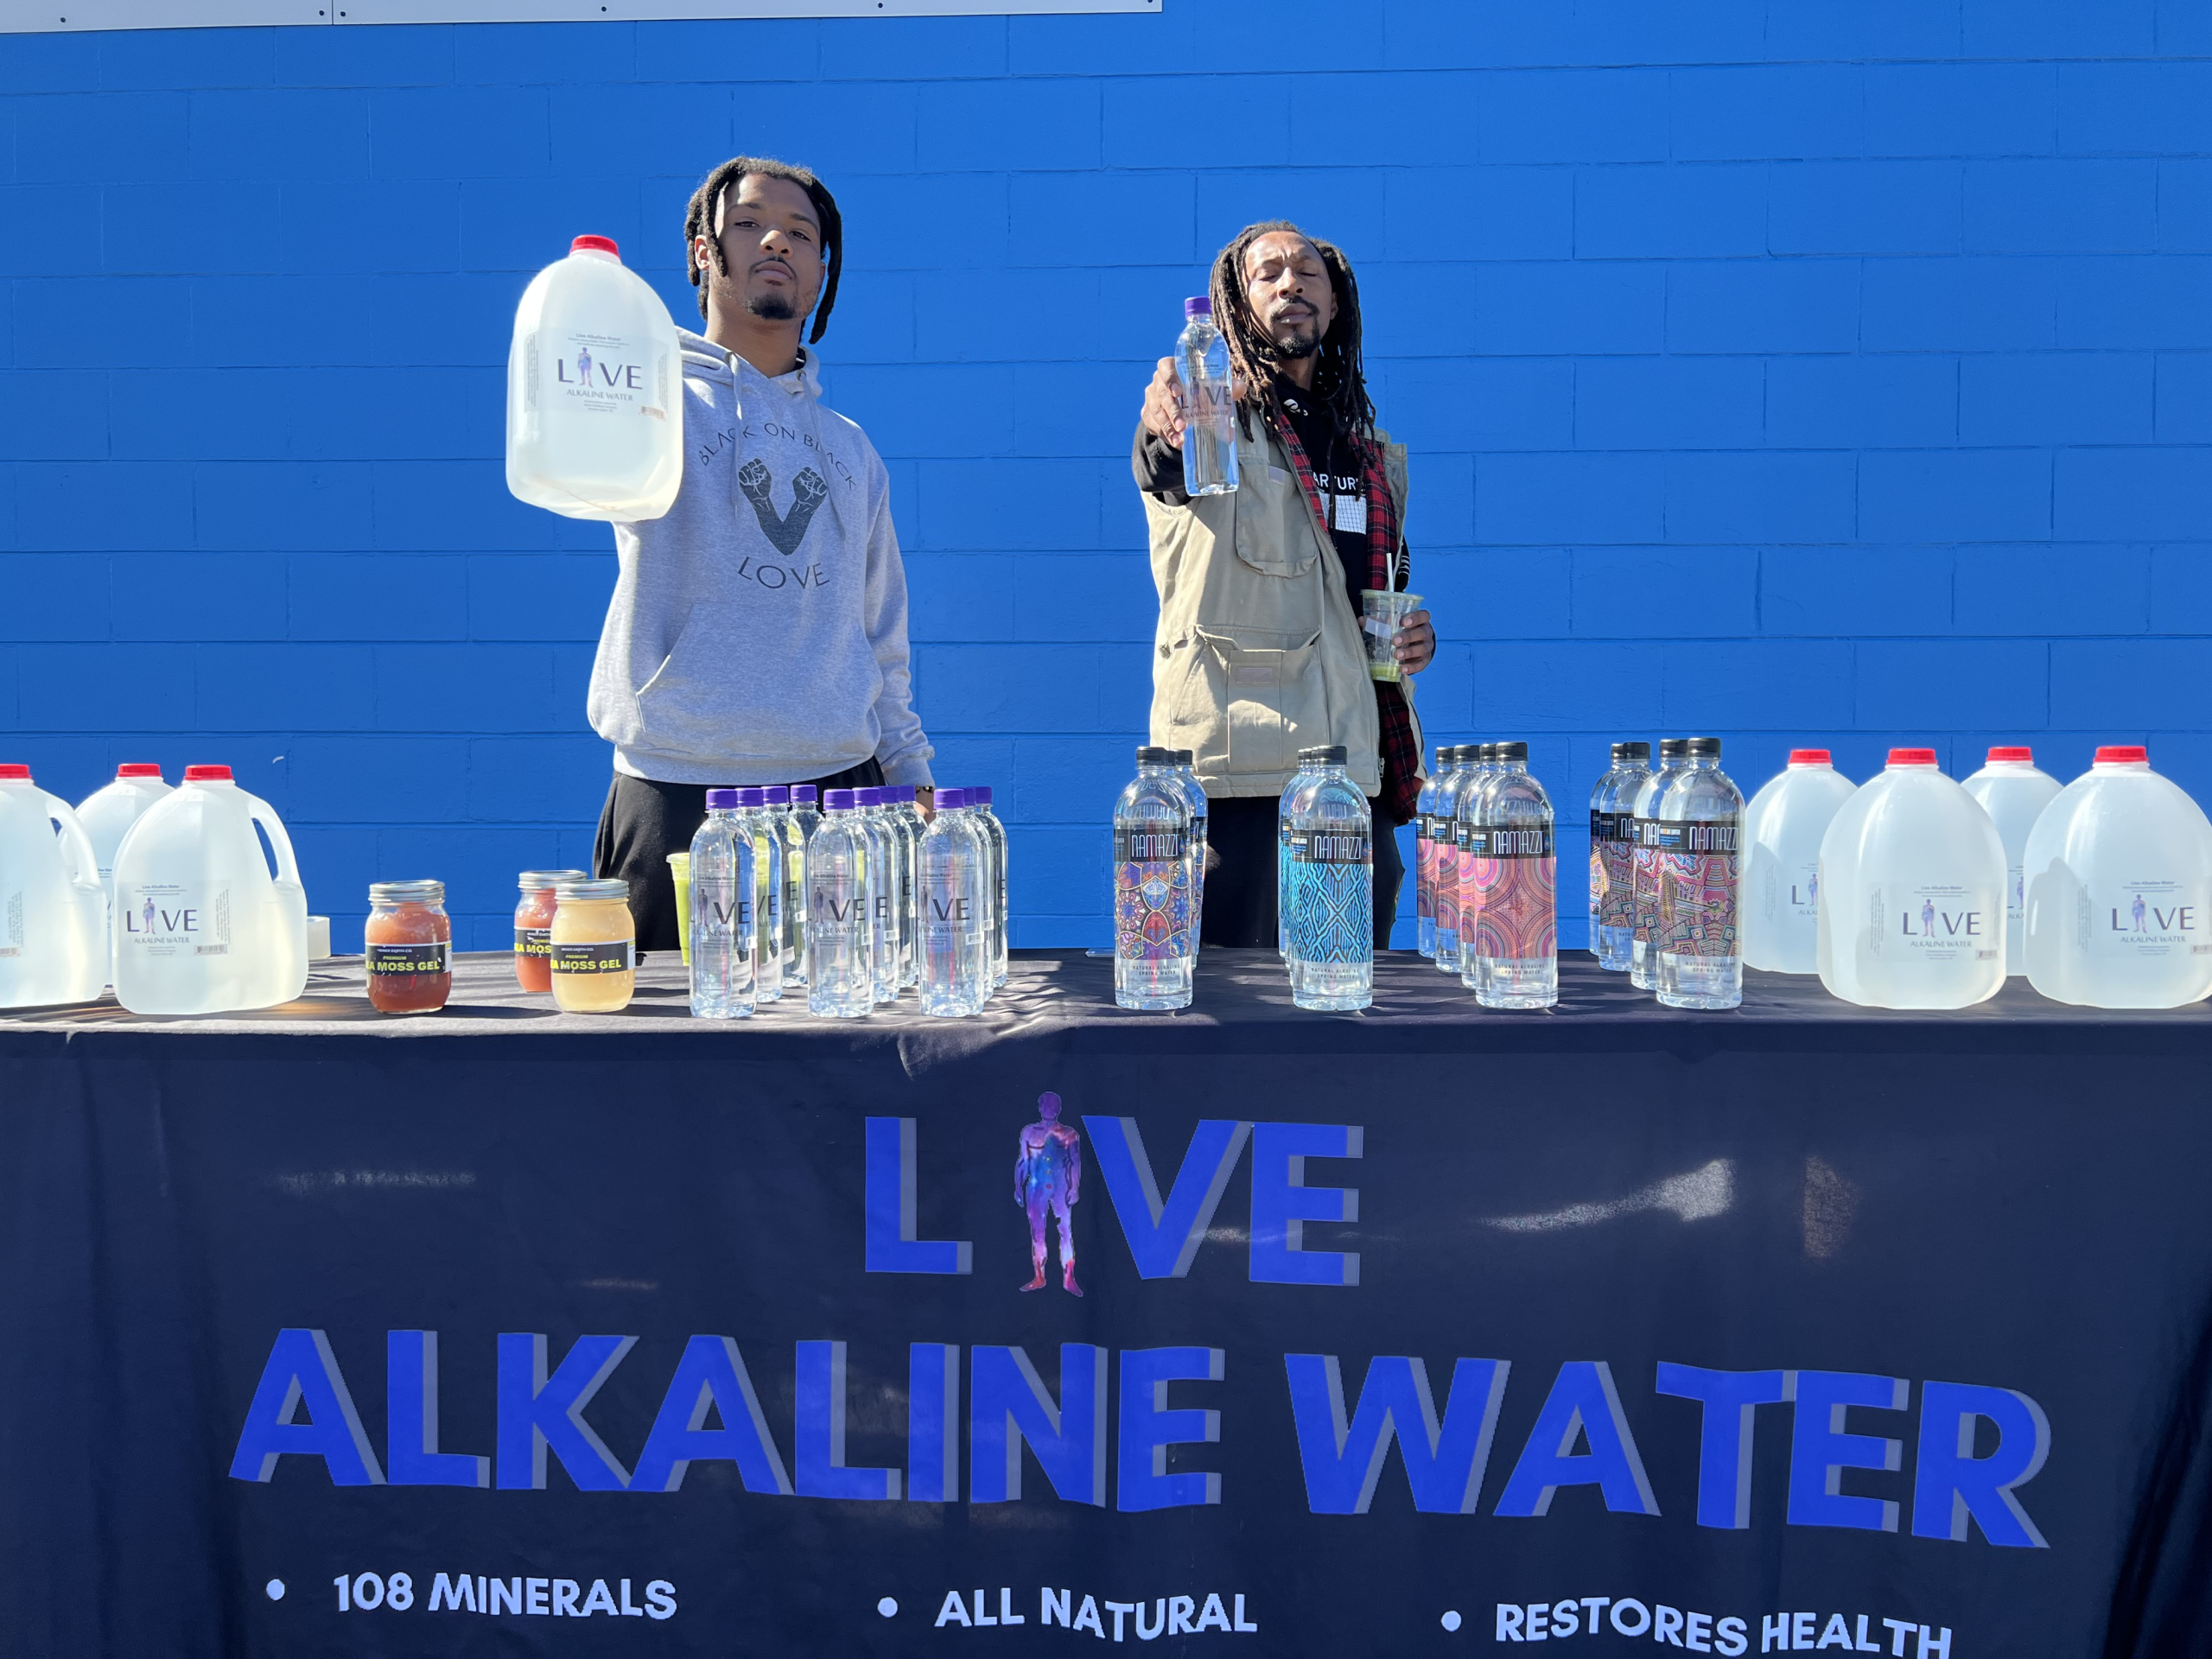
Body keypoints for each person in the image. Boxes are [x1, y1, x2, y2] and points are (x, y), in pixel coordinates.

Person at [587, 156, 934, 952]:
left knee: (849, 1053)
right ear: (705, 253)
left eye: (801, 233)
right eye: (748, 223)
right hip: (675, 784)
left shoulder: (852, 451)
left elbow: (881, 634)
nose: (776, 238)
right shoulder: (646, 400)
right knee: (660, 1062)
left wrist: (909, 771)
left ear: (820, 272)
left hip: (841, 796)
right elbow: (568, 471)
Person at [1133, 220, 1435, 950]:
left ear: (1335, 306)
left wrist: (1411, 637)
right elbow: (1164, 463)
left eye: (1306, 272)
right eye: (1266, 274)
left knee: (1348, 1020)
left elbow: (1357, 602)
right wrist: (1166, 421)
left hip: (1355, 779)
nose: (1288, 284)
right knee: (1235, 1032)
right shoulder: (1213, 413)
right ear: (1236, 305)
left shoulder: (1368, 455)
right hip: (1243, 786)